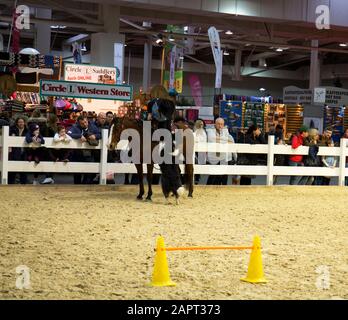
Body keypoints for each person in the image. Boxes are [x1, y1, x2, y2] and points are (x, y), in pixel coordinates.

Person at [67, 115, 100, 184]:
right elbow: (68, 134)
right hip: (77, 154)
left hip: (89, 154)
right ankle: (77, 190)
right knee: (77, 175)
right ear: (79, 123)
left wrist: (95, 136)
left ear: (87, 120)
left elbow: (100, 134)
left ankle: (86, 187)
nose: (85, 124)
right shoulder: (75, 127)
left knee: (89, 173)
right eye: (82, 123)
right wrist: (79, 136)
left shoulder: (92, 126)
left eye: (85, 122)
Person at [206, 118, 237, 185]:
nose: (220, 126)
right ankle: (209, 189)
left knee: (224, 176)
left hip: (225, 157)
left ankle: (222, 189)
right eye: (218, 124)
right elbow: (212, 139)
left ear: (223, 125)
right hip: (214, 157)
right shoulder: (210, 131)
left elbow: (231, 142)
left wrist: (220, 140)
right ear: (215, 124)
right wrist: (224, 140)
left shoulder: (226, 132)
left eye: (221, 124)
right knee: (213, 175)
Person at [8, 116, 28, 184]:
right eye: (19, 122)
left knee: (23, 168)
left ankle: (23, 183)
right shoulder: (12, 129)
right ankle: (10, 182)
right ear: (17, 123)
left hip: (24, 151)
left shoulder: (27, 130)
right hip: (14, 151)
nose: (21, 123)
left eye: (22, 122)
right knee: (13, 167)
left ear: (24, 123)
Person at [193, 119, 207, 185]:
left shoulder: (203, 132)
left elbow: (202, 141)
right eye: (199, 124)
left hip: (200, 150)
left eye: (202, 124)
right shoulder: (194, 131)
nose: (200, 125)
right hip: (193, 150)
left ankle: (197, 179)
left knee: (198, 164)